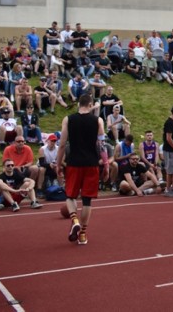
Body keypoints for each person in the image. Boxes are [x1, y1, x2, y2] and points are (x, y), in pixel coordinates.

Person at [56, 93, 104, 245]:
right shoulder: (98, 121)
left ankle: (74, 219)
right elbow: (101, 145)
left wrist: (58, 164)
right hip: (91, 163)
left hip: (74, 163)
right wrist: (107, 165)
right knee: (87, 200)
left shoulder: (68, 119)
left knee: (70, 195)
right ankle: (83, 234)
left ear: (78, 104)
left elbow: (62, 144)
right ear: (90, 105)